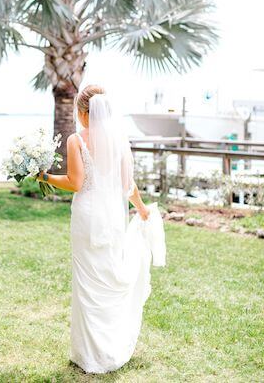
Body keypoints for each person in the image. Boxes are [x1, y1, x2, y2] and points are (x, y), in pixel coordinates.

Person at [38, 85, 166, 374]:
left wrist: (43, 175)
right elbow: (127, 185)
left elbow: (75, 183)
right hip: (111, 217)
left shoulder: (76, 140)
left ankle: (89, 354)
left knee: (87, 282)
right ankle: (107, 349)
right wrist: (142, 207)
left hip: (86, 215)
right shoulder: (119, 140)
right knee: (106, 277)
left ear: (84, 113)